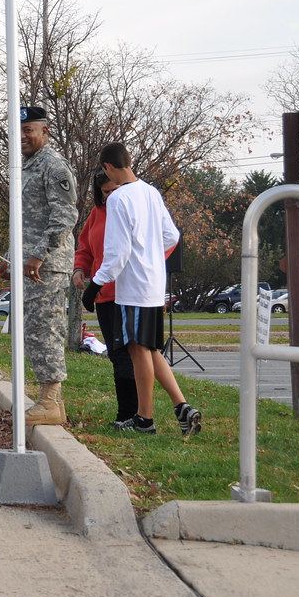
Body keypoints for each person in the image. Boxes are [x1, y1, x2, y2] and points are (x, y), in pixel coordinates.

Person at [81, 142, 202, 436]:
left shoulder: (118, 199)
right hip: (154, 283)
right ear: (129, 160)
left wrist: (95, 283)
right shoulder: (150, 191)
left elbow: (118, 252)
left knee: (137, 350)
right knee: (149, 347)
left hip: (133, 286)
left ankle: (144, 419)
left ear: (107, 167)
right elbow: (172, 235)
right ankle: (181, 407)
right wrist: (151, 257)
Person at [0, 106, 78, 426]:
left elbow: (65, 217)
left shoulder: (53, 166)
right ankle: (51, 402)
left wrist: (39, 255)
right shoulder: (26, 166)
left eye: (28, 130)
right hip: (28, 265)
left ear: (44, 132)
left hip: (47, 266)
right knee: (33, 332)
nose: (22, 137)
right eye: (17, 131)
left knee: (46, 331)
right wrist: (10, 259)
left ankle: (51, 401)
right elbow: (24, 220)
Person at [72, 171, 137, 426]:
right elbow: (86, 247)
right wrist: (80, 268)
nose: (110, 196)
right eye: (105, 193)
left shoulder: (133, 208)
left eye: (114, 190)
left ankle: (131, 415)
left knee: (127, 354)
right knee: (115, 354)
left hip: (129, 292)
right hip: (103, 294)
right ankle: (127, 414)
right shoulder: (97, 213)